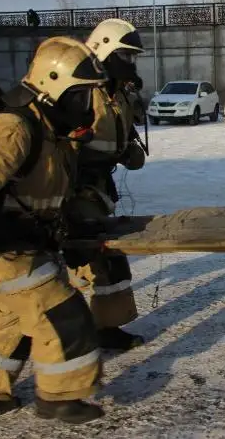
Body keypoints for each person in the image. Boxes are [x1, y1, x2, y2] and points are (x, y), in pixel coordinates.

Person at [0, 37, 107, 424]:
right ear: (55, 86)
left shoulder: (52, 129)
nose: (87, 106)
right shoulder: (15, 127)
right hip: (6, 250)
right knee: (64, 316)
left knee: (12, 319)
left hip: (27, 246)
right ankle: (60, 397)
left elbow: (48, 190)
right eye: (82, 95)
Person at [62, 18, 148, 351]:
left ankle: (106, 326)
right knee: (82, 262)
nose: (130, 63)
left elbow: (127, 144)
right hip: (70, 189)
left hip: (99, 187)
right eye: (126, 56)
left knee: (109, 258)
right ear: (104, 49)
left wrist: (128, 151)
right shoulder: (80, 93)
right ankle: (49, 331)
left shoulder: (117, 95)